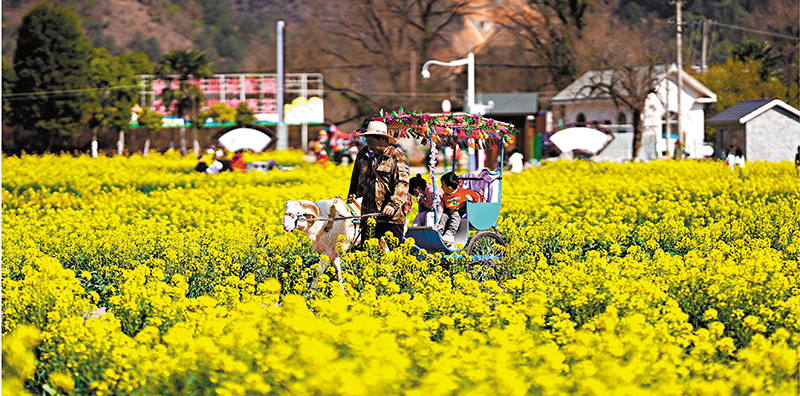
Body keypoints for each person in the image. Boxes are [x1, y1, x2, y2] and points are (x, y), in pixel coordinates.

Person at [348, 120, 410, 247]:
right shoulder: (367, 156)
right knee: (368, 255)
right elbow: (357, 180)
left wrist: (393, 204)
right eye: (367, 141)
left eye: (371, 141)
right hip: (369, 216)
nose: (368, 144)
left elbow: (402, 183)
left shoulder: (397, 157)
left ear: (382, 139)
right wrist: (351, 201)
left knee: (394, 255)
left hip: (391, 218)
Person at [439, 171, 481, 244]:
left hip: (460, 213)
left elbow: (476, 196)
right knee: (443, 216)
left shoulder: (463, 192)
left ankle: (450, 234)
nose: (441, 187)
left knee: (455, 215)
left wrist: (471, 199)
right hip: (448, 213)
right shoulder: (444, 195)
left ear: (449, 188)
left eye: (442, 185)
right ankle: (439, 233)